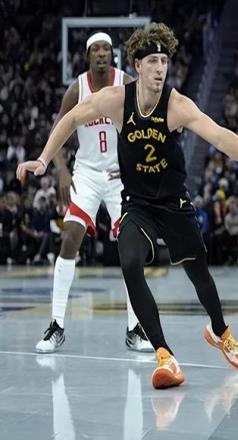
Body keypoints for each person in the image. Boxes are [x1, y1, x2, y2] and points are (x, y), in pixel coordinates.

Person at [17, 23, 238, 389]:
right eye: (152, 61)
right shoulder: (117, 100)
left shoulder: (176, 104)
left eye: (164, 61)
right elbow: (70, 118)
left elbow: (217, 134)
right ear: (137, 65)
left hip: (173, 202)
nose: (159, 68)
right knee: (130, 263)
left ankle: (220, 331)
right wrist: (44, 161)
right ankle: (164, 354)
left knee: (199, 274)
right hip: (137, 204)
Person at [32, 32, 152, 353]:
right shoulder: (77, 89)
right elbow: (59, 129)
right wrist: (61, 168)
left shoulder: (127, 83)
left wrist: (134, 164)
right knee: (70, 237)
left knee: (131, 248)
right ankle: (56, 325)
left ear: (113, 54)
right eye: (95, 49)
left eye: (106, 49)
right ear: (88, 56)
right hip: (85, 174)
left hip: (118, 177)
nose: (101, 53)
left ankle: (135, 328)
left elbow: (145, 126)